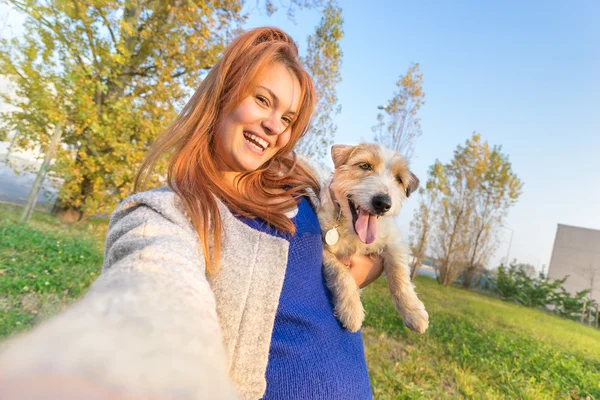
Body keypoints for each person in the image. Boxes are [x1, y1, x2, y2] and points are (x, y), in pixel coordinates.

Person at [0, 27, 383, 399]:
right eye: (263, 100)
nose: (273, 126)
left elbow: (375, 239)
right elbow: (154, 290)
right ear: (224, 93)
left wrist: (367, 267)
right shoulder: (168, 214)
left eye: (287, 118)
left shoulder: (305, 180)